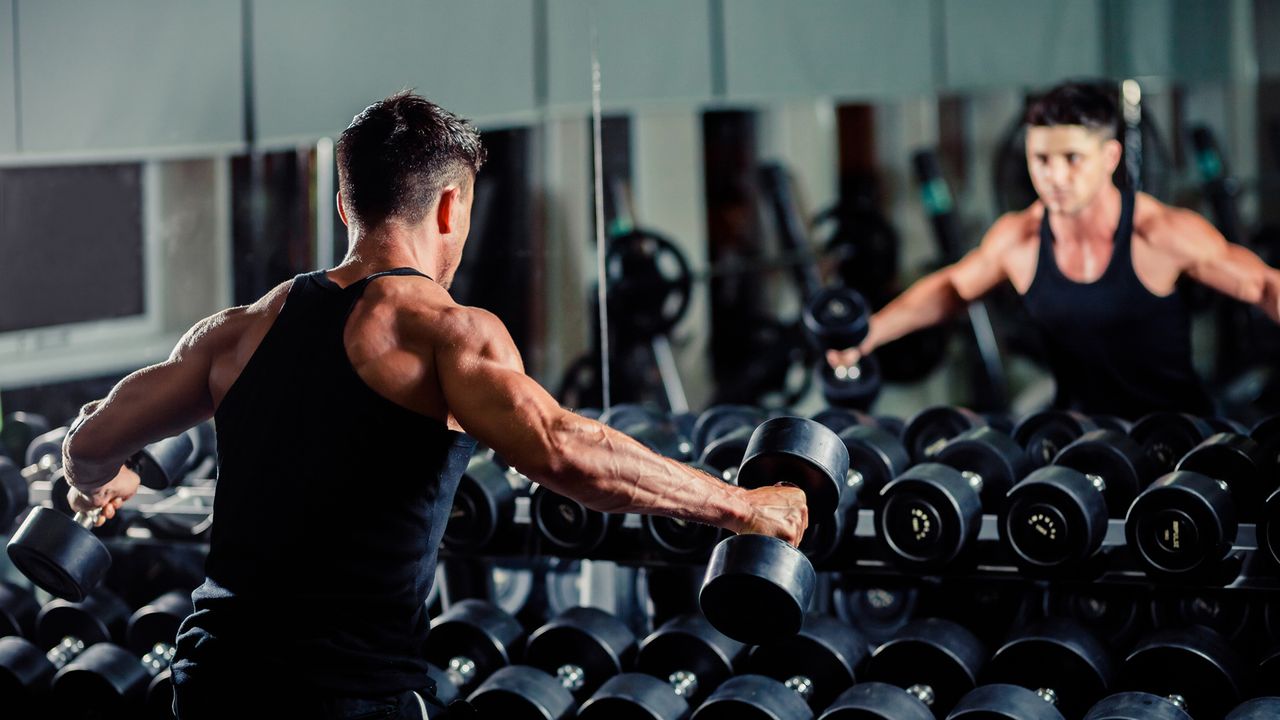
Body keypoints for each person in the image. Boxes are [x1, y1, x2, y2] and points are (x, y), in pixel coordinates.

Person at [59, 92, 808, 719]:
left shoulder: (238, 331)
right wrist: (743, 507)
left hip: (214, 685)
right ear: (450, 206)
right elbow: (563, 451)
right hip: (350, 700)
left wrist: (105, 481)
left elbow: (87, 445)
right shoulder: (446, 332)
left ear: (346, 200)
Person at [829, 81, 1280, 418]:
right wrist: (870, 334)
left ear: (1109, 158)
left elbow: (1263, 285)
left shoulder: (1159, 232)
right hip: (1076, 437)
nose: (1055, 177)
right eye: (1041, 160)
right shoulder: (1019, 238)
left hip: (1179, 436)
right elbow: (953, 288)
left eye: (1072, 159)